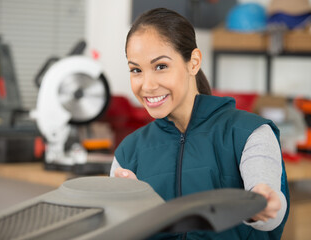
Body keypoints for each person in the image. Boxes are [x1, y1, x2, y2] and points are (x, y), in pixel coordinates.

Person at [110, 8, 289, 240]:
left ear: (193, 62)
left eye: (161, 66)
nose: (147, 85)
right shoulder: (128, 152)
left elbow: (271, 213)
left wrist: (259, 205)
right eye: (136, 70)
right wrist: (127, 212)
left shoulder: (249, 134)